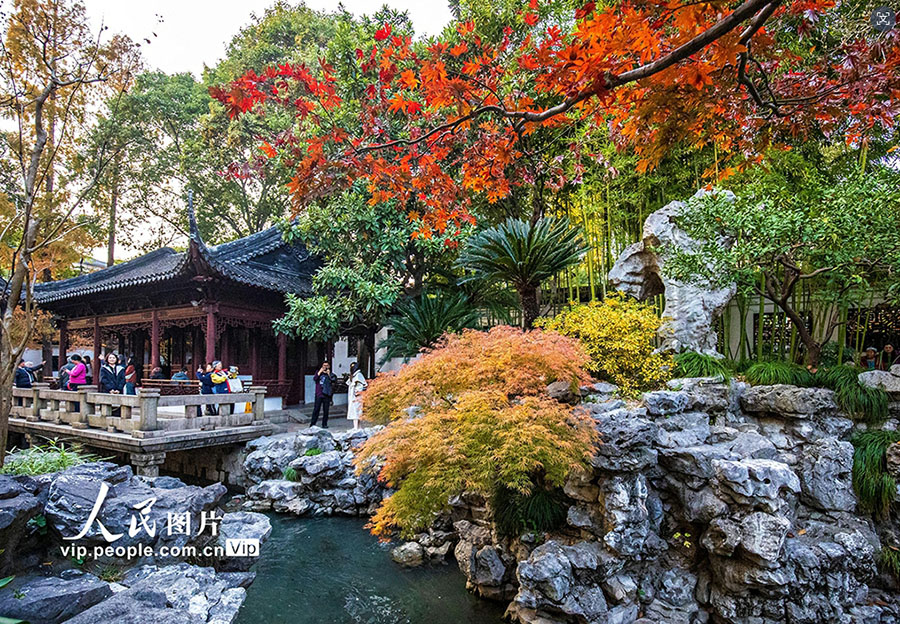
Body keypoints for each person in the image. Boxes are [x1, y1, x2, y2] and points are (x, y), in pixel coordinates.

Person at [310, 362, 336, 428]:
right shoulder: (318, 372)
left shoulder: (331, 374)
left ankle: (324, 424)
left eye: (327, 365)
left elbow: (333, 380)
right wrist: (320, 372)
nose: (325, 367)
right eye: (324, 365)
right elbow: (315, 379)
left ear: (329, 366)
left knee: (326, 410)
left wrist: (329, 374)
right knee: (316, 409)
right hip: (319, 394)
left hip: (326, 394)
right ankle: (312, 424)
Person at [346, 361, 367, 431]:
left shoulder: (358, 375)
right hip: (353, 396)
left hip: (357, 396)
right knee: (355, 411)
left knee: (356, 411)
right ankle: (357, 426)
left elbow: (362, 385)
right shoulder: (354, 375)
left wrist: (357, 392)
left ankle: (356, 427)